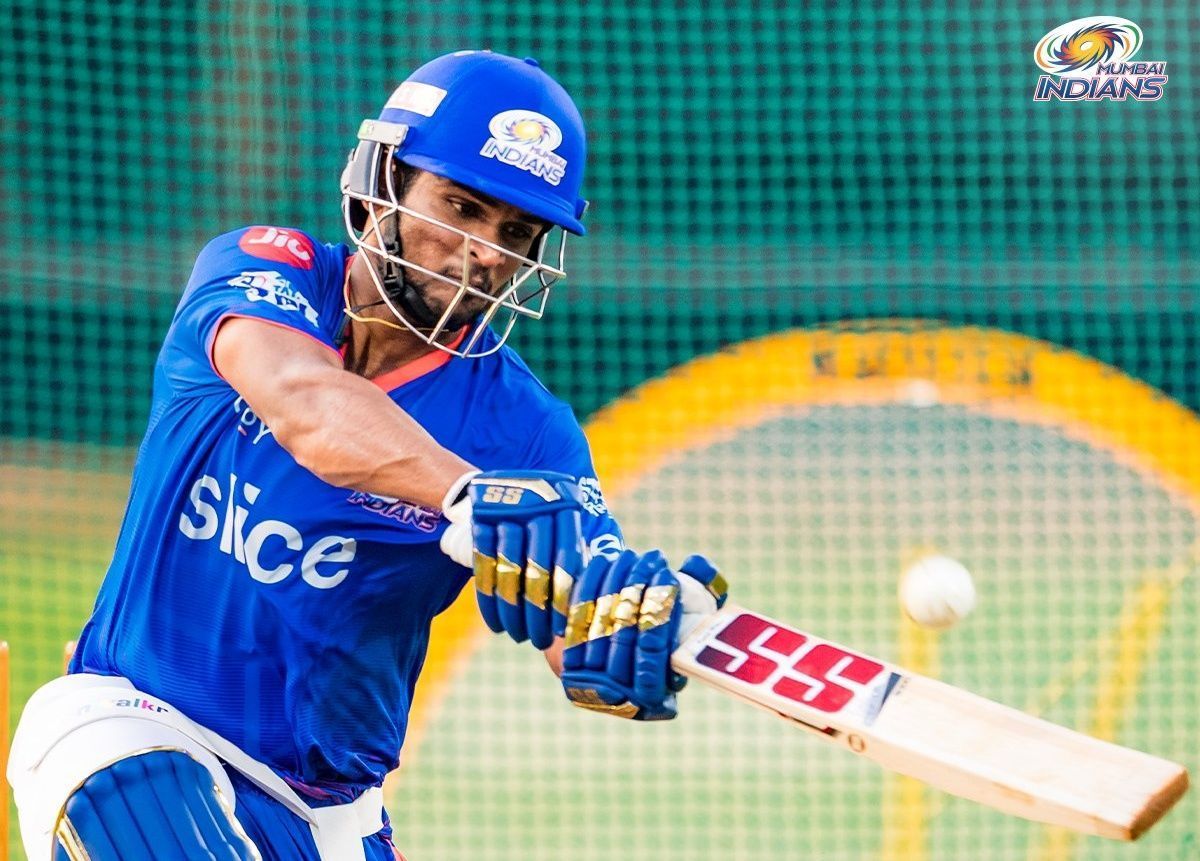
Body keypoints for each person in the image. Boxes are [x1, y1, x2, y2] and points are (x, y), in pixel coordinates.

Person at [6, 50, 726, 861]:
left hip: (331, 815)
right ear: (384, 176)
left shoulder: (532, 435)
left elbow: (576, 635)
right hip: (125, 727)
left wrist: (628, 632)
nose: (484, 250)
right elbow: (308, 406)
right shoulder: (264, 269)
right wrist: (469, 496)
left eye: (516, 232)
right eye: (461, 205)